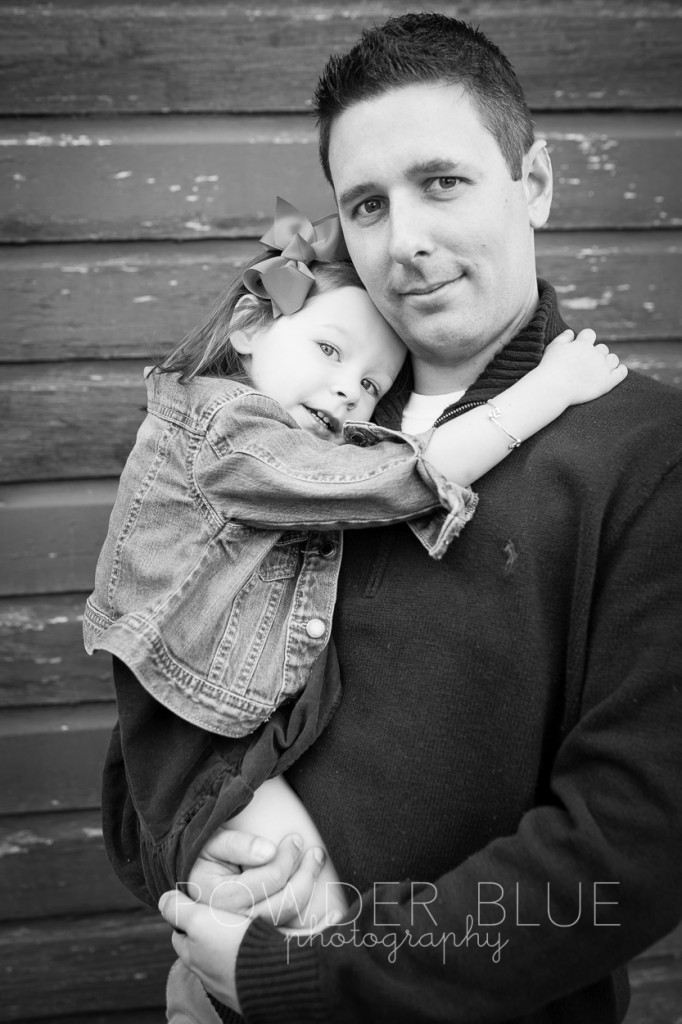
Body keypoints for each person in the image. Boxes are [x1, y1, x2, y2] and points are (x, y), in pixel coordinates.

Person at [140, 12, 679, 1024]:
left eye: (442, 182)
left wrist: (318, 980)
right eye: (367, 205)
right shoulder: (299, 434)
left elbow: (630, 842)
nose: (408, 241)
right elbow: (152, 689)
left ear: (534, 183)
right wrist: (197, 838)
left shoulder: (644, 456)